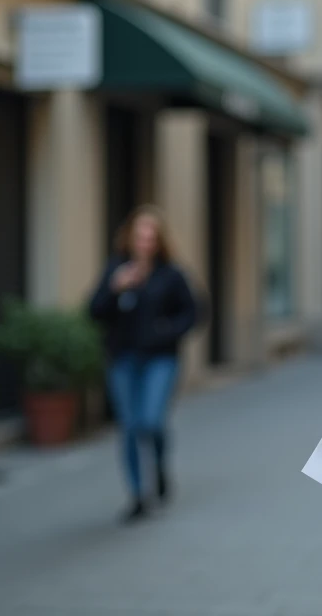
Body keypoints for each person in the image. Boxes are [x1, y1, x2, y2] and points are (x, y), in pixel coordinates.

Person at [89, 206, 198, 523]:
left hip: (160, 359)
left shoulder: (171, 274)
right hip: (123, 359)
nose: (145, 242)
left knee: (151, 421)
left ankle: (160, 465)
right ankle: (138, 494)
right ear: (130, 238)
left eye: (151, 236)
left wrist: (167, 331)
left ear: (159, 240)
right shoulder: (116, 270)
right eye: (140, 236)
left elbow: (192, 313)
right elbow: (93, 311)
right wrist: (115, 288)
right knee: (130, 426)